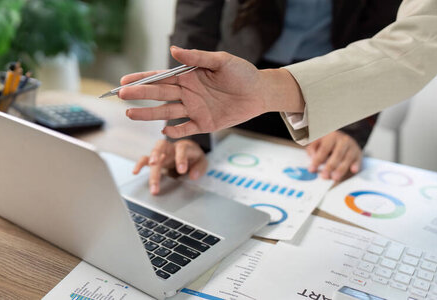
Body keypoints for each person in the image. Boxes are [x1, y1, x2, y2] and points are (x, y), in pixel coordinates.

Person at [117, 0, 437, 182]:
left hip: (329, 99)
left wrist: (350, 127)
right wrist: (189, 127)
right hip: (241, 85)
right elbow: (402, 50)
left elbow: (385, 42)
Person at [131, 0, 400, 194]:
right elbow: (194, 26)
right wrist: (187, 135)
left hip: (331, 85)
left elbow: (382, 40)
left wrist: (349, 124)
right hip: (235, 80)